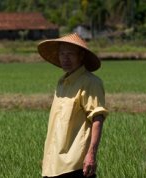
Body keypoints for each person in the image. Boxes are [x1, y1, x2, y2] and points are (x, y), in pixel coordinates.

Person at [37, 33, 109, 178]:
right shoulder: (62, 83)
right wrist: (48, 158)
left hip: (75, 166)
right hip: (53, 165)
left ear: (81, 56)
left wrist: (91, 155)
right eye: (62, 53)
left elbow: (97, 119)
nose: (65, 58)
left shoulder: (90, 82)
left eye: (70, 54)